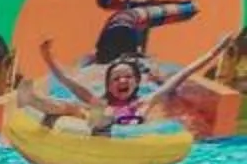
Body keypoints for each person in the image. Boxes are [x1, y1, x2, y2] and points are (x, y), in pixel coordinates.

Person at [27, 33, 232, 135]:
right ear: (108, 85)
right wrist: (48, 57)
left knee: (98, 110)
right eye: (116, 78)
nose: (122, 81)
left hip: (127, 141)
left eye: (127, 77)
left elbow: (184, 74)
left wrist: (215, 51)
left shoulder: (145, 103)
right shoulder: (100, 101)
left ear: (136, 82)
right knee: (74, 106)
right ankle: (33, 101)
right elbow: (68, 82)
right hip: (96, 129)